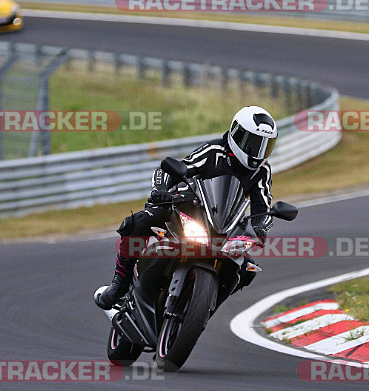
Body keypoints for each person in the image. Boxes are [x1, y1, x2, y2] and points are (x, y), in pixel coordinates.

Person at [95, 105, 278, 310]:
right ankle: (119, 284)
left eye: (265, 146)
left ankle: (205, 305)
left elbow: (263, 205)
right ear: (236, 134)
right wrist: (160, 191)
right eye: (253, 144)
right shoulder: (214, 151)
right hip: (188, 208)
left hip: (225, 226)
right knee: (137, 223)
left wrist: (260, 227)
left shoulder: (262, 171)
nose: (258, 153)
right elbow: (177, 168)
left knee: (247, 269)